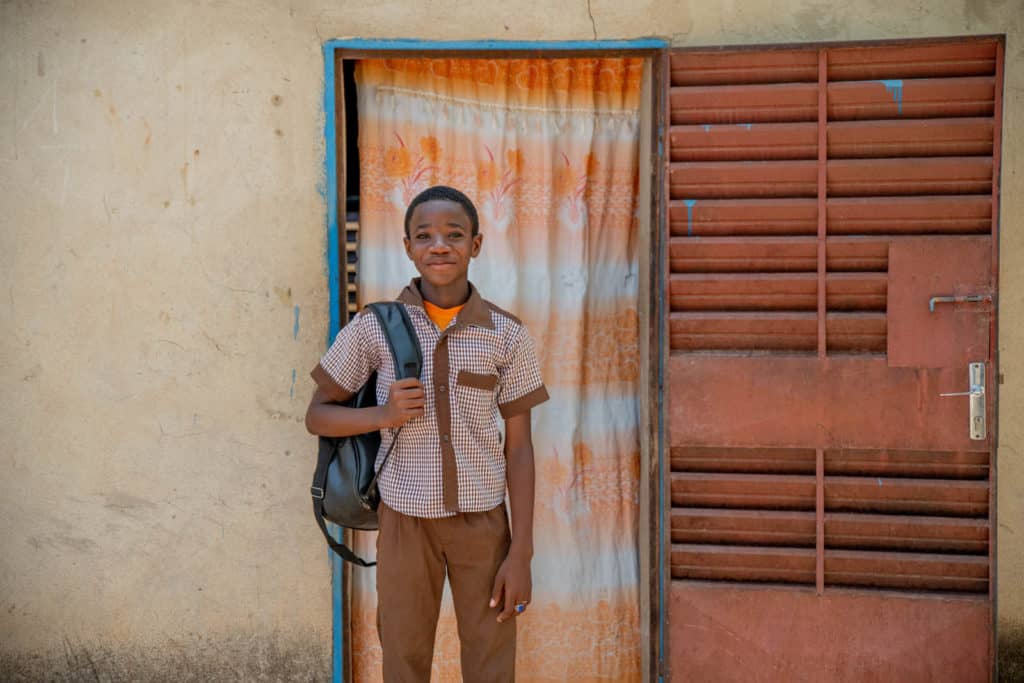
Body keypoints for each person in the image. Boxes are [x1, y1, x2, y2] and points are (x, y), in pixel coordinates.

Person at [305, 185, 548, 682]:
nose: (440, 245)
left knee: (490, 659)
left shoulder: (507, 335)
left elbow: (519, 449)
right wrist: (382, 414)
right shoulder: (375, 327)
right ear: (408, 246)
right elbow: (318, 416)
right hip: (404, 525)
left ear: (475, 245)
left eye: (454, 234)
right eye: (425, 235)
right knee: (403, 656)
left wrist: (520, 552)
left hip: (484, 526)